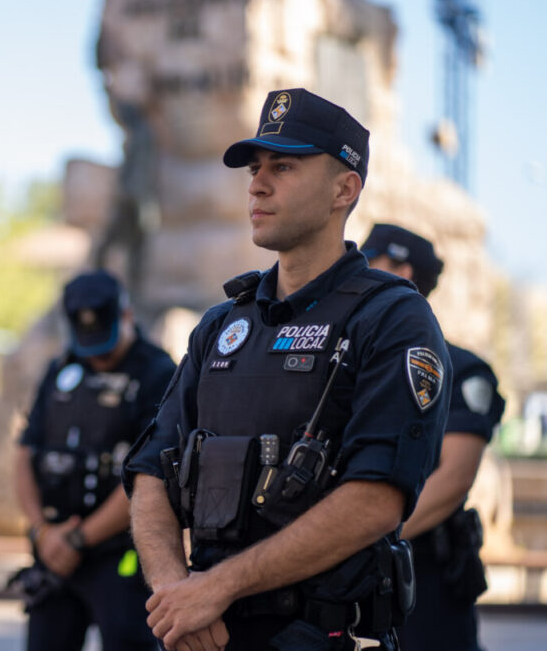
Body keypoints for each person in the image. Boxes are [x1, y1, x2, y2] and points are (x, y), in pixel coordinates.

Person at [124, 88, 452, 651]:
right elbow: (151, 471)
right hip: (203, 633)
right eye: (255, 168)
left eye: (284, 166)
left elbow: (377, 497)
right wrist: (177, 592)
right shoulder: (223, 323)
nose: (257, 183)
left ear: (344, 188)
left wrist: (216, 589)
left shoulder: (391, 317)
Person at [14, 270, 175, 651]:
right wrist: (42, 531)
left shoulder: (158, 373)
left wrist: (79, 538)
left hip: (119, 555)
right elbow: (25, 453)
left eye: (104, 341)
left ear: (127, 315)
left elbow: (148, 474)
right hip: (53, 552)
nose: (98, 355)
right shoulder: (60, 370)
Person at [362, 223, 504, 651]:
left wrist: (357, 538)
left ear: (402, 273)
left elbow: (453, 480)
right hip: (353, 571)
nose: (359, 276)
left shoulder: (460, 369)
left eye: (371, 265)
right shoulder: (355, 364)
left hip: (424, 578)